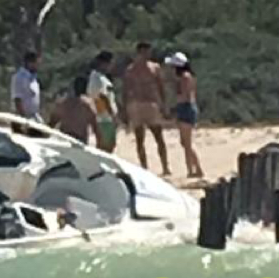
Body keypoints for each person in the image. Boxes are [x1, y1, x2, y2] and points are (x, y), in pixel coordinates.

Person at [123, 41, 171, 175]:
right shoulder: (130, 70)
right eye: (145, 52)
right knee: (139, 139)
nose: (147, 54)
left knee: (158, 136)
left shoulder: (154, 67)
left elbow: (160, 87)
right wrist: (125, 108)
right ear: (140, 52)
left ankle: (165, 166)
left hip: (150, 103)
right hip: (136, 104)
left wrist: (163, 104)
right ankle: (144, 167)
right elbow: (126, 90)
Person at [166, 51, 205, 180]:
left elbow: (186, 96)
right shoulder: (184, 77)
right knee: (185, 142)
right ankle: (192, 169)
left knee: (186, 142)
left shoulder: (185, 77)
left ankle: (196, 169)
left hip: (186, 108)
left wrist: (175, 105)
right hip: (185, 108)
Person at [49, 75, 102, 145]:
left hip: (65, 139)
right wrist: (99, 145)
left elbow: (53, 122)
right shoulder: (88, 105)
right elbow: (96, 128)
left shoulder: (65, 103)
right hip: (79, 141)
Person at [87, 49, 119, 153]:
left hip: (105, 116)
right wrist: (112, 114)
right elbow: (102, 97)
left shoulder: (101, 77)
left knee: (110, 144)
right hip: (104, 117)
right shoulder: (97, 78)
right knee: (106, 145)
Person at [10, 50, 42, 121]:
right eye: (37, 64)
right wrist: (23, 119)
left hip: (34, 117)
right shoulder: (19, 77)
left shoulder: (34, 80)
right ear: (30, 63)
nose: (38, 67)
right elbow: (17, 100)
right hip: (22, 118)